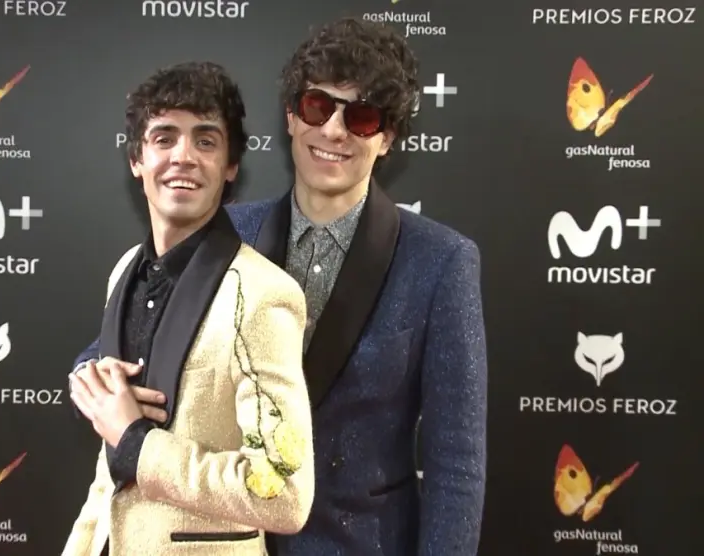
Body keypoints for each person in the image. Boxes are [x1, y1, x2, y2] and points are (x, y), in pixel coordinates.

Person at [70, 18, 487, 556]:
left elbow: (456, 461)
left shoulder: (440, 260)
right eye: (318, 106)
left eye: (361, 117)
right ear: (291, 116)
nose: (333, 131)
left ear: (386, 138)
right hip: (226, 537)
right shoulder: (227, 232)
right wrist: (96, 378)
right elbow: (123, 338)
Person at [62, 61, 316, 556]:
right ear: (136, 159)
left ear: (231, 165)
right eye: (164, 138)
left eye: (205, 140)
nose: (183, 156)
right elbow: (109, 479)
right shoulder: (124, 272)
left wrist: (137, 444)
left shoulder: (262, 295)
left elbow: (285, 492)